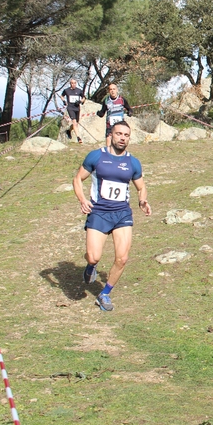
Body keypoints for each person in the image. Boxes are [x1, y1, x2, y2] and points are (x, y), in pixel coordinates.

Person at [72, 121, 152, 311]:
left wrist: (143, 201)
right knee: (93, 257)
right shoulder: (96, 156)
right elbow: (77, 179)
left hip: (122, 214)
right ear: (111, 135)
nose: (122, 138)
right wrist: (83, 200)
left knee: (122, 258)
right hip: (99, 213)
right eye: (119, 134)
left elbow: (141, 187)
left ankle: (105, 294)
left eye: (126, 135)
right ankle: (91, 267)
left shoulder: (133, 162)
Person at [96, 83, 133, 147]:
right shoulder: (106, 101)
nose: (112, 91)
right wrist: (98, 113)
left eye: (114, 89)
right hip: (110, 125)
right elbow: (102, 113)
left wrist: (129, 112)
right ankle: (108, 156)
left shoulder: (122, 100)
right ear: (109, 91)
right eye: (111, 89)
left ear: (117, 90)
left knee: (119, 145)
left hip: (120, 125)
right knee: (108, 144)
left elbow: (129, 109)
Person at [60, 78, 86, 144]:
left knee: (76, 123)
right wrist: (64, 101)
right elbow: (62, 96)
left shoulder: (79, 90)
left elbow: (84, 98)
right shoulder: (66, 90)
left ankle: (69, 130)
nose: (73, 84)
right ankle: (78, 138)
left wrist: (80, 101)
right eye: (72, 83)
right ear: (70, 84)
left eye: (74, 83)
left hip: (77, 108)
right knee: (74, 122)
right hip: (70, 108)